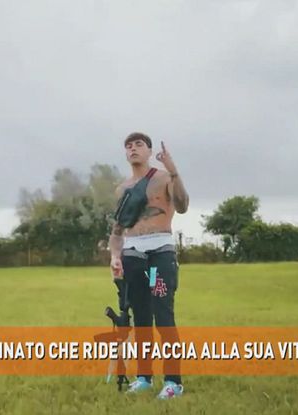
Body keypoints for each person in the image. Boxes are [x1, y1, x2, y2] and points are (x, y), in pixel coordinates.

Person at [108, 132, 189, 399]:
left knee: (163, 316)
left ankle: (173, 382)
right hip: (133, 256)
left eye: (138, 144)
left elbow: (183, 206)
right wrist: (115, 256)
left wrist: (173, 170)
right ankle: (144, 377)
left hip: (159, 256)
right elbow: (118, 229)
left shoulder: (164, 178)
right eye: (128, 146)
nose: (133, 149)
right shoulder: (122, 189)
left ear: (149, 151)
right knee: (141, 318)